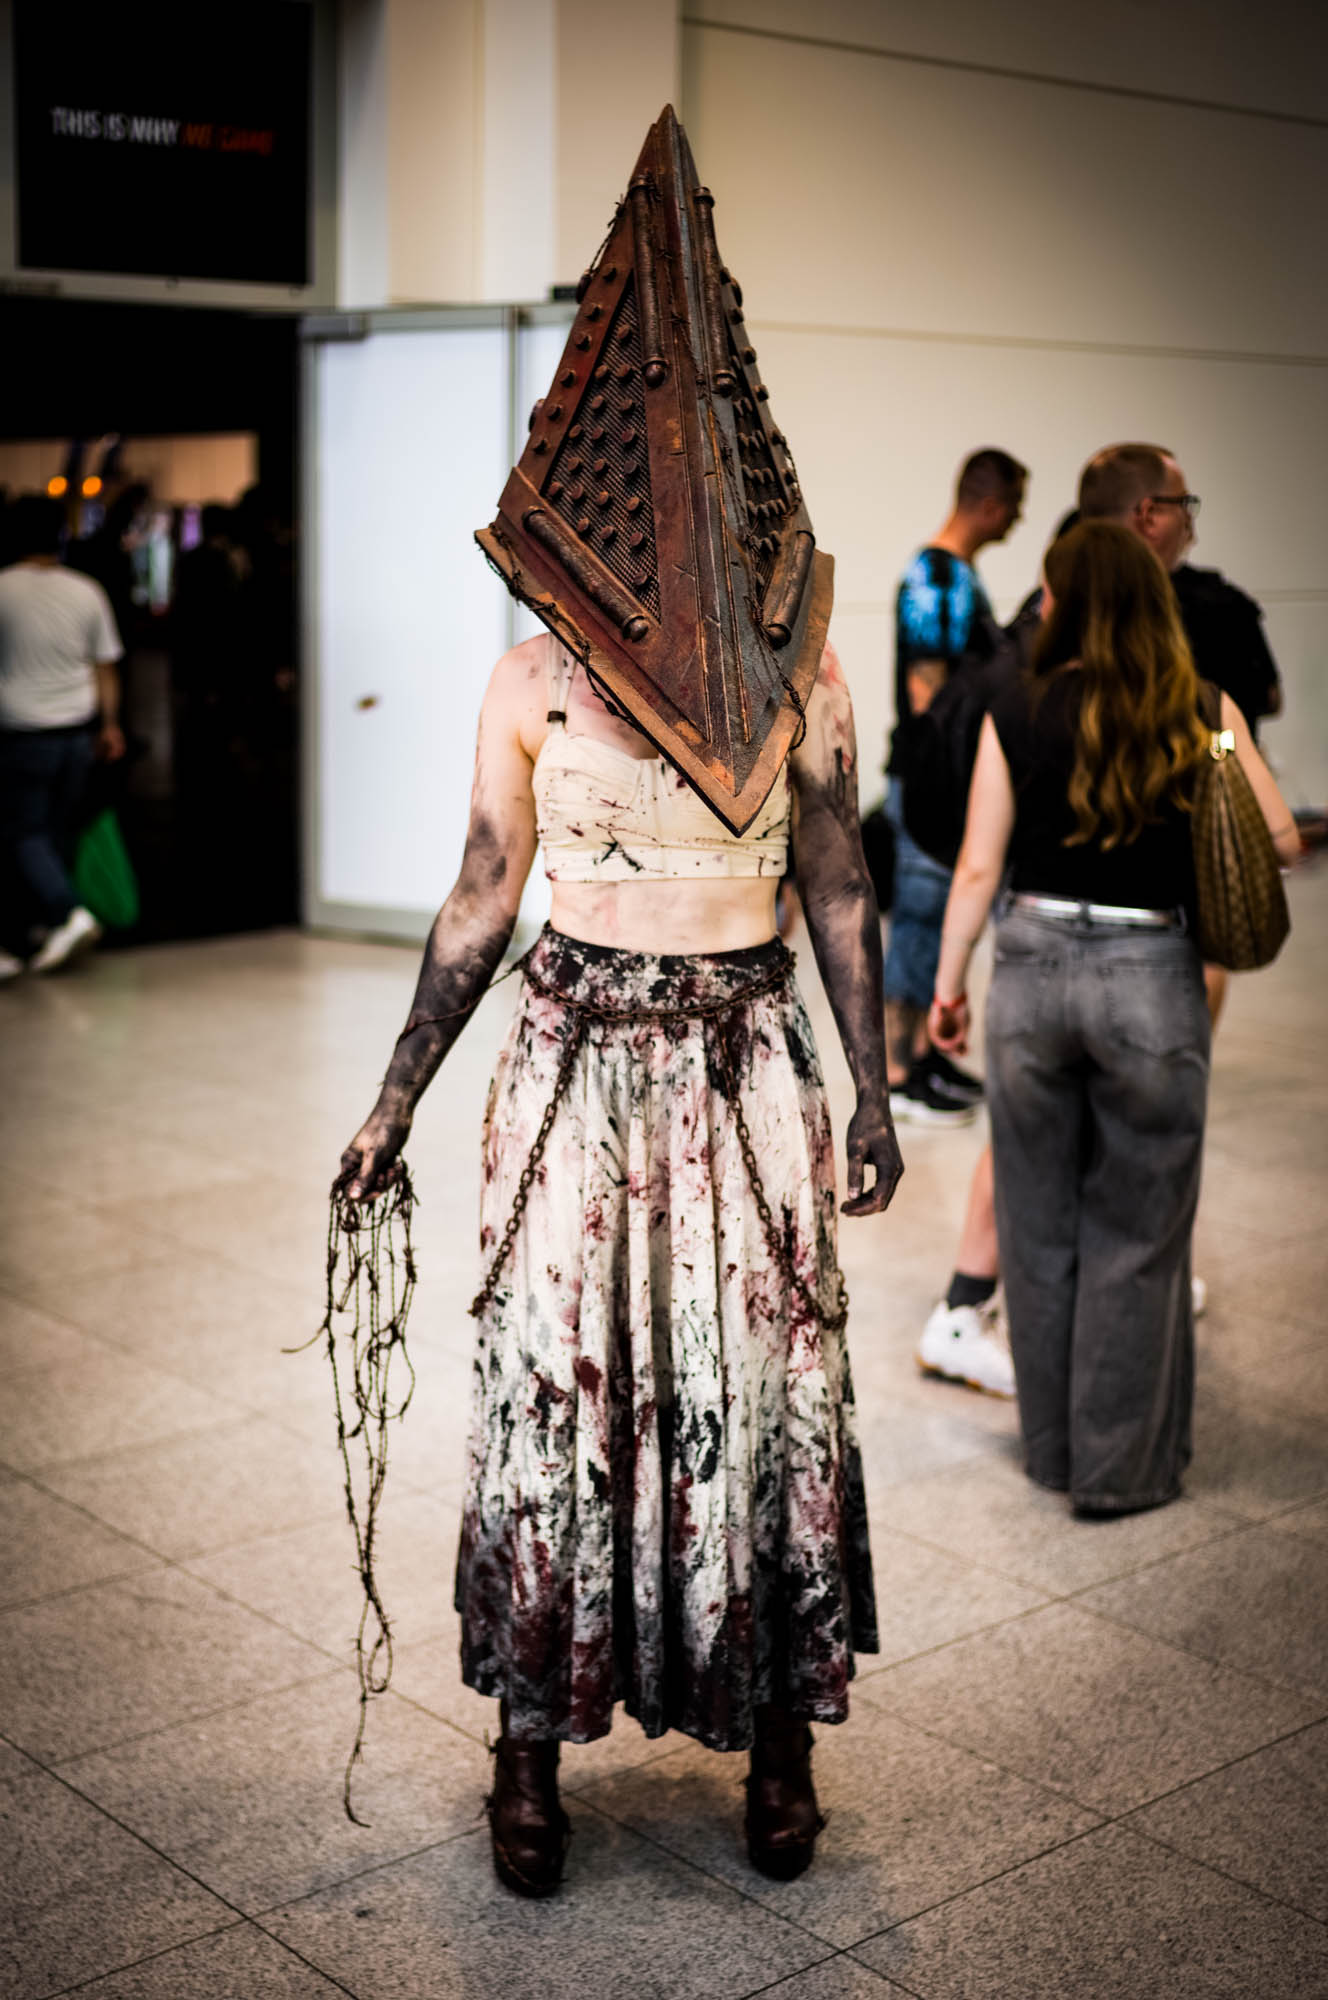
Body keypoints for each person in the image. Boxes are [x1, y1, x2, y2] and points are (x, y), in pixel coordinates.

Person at [338, 104, 902, 1898]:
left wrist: (872, 1091)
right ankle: (527, 1762)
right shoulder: (527, 680)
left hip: (741, 1071)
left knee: (765, 1394)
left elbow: (832, 886)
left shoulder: (801, 665)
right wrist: (387, 1104)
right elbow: (480, 901)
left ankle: (778, 1750)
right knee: (552, 1398)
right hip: (573, 1073)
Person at [928, 521, 1298, 1513]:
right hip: (1149, 970)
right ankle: (1116, 1469)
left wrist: (946, 984)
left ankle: (1048, 1450)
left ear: (1056, 599)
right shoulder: (1199, 705)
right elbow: (1274, 835)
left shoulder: (1013, 701)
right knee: (1137, 1230)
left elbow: (975, 862)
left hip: (1032, 967)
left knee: (1037, 1220)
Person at [885, 447, 1026, 1124]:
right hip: (931, 785)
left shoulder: (955, 575)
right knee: (918, 921)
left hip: (944, 783)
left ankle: (927, 1057)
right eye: (1015, 507)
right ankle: (898, 1071)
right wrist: (947, 784)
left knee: (941, 923)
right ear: (992, 504)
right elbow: (927, 697)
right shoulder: (936, 577)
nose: (1018, 520)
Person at [0, 494, 124, 978]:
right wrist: (111, 725)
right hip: (76, 732)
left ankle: (64, 911)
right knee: (52, 833)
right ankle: (38, 928)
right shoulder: (85, 591)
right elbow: (105, 667)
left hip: (21, 731)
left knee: (24, 834)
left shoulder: (4, 589)